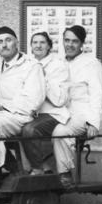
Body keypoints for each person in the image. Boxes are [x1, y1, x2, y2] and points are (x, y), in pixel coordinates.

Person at [0, 26, 45, 193]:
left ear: (17, 43)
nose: (4, 45)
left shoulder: (31, 65)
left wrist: (1, 106)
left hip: (20, 116)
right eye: (0, 42)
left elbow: (34, 100)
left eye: (8, 40)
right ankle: (11, 168)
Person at [52, 25, 102, 188]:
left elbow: (98, 93)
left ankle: (65, 174)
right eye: (67, 40)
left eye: (75, 41)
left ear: (82, 44)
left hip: (81, 114)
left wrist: (94, 123)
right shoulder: (57, 62)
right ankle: (42, 173)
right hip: (60, 111)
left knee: (59, 132)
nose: (70, 44)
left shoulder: (91, 63)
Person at [21, 32, 70, 175]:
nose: (38, 45)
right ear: (31, 46)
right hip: (31, 112)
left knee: (29, 130)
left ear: (49, 46)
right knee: (6, 129)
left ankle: (38, 168)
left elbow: (60, 100)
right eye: (35, 42)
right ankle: (15, 169)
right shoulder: (27, 64)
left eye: (42, 42)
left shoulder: (58, 65)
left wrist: (41, 77)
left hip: (53, 113)